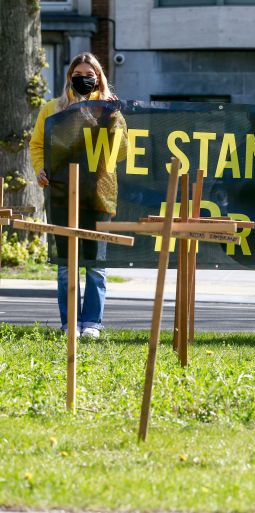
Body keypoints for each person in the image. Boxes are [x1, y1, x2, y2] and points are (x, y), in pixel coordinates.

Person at [31, 52, 125, 339]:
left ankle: (92, 324)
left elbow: (121, 152)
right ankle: (69, 322)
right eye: (78, 75)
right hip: (61, 195)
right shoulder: (51, 109)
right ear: (69, 77)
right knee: (65, 265)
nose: (83, 79)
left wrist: (112, 118)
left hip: (98, 196)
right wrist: (40, 169)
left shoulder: (110, 109)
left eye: (89, 75)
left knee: (96, 265)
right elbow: (37, 145)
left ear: (99, 79)